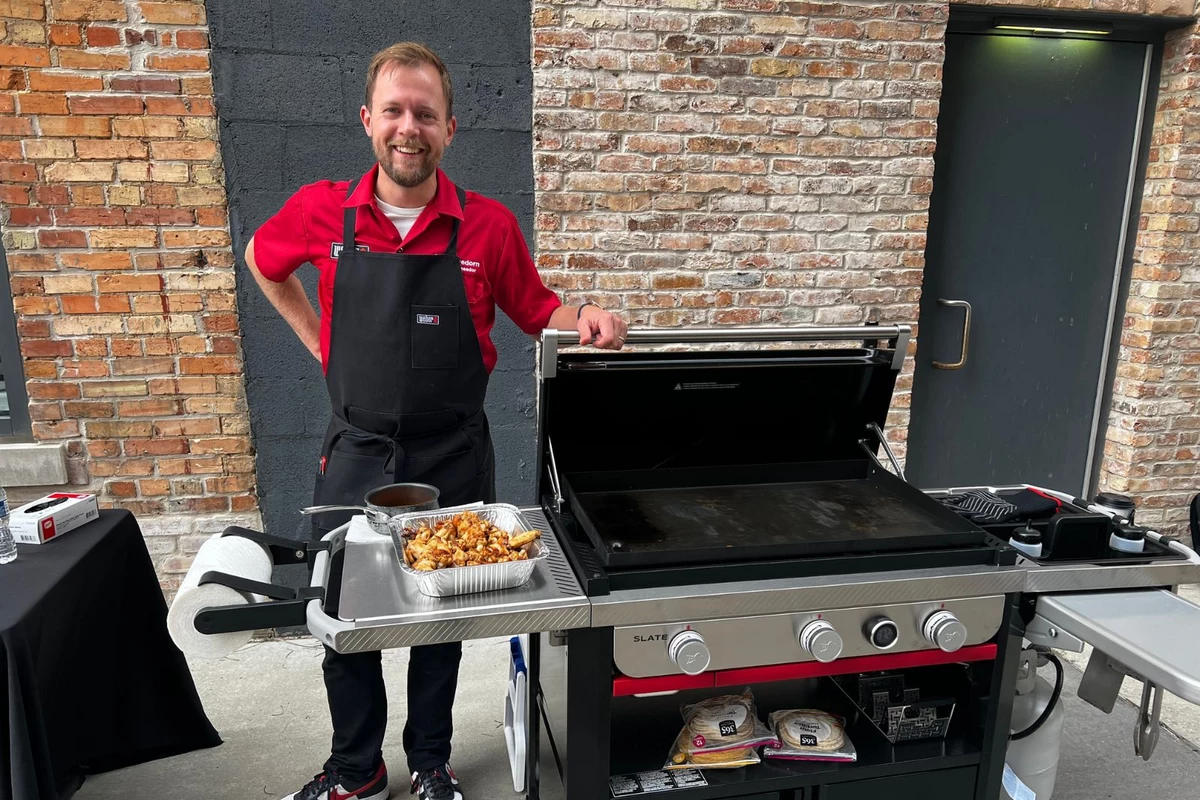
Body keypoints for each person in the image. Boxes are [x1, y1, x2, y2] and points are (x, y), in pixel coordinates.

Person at [244, 41, 627, 800]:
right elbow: (263, 257)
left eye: (425, 113)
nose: (408, 127)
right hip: (355, 453)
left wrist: (584, 314)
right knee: (346, 623)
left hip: (451, 455)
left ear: (450, 129)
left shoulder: (486, 227)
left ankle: (431, 763)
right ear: (368, 121)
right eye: (394, 110)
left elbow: (536, 308)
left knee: (440, 626)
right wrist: (319, 339)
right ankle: (356, 769)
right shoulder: (323, 210)